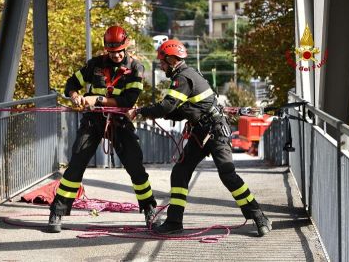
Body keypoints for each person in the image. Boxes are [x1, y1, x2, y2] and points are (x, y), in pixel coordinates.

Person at [126, 39, 272, 236]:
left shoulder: (183, 78)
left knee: (227, 174)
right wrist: (156, 113)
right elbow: (183, 111)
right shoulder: (186, 75)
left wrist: (141, 111)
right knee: (180, 172)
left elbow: (167, 106)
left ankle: (259, 216)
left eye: (162, 62)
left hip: (215, 131)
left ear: (171, 59)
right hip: (201, 132)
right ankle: (174, 221)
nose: (161, 66)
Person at [47, 25, 157, 233]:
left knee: (135, 166)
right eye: (111, 51)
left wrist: (95, 99)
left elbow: (128, 100)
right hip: (94, 120)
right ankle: (57, 211)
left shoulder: (136, 69)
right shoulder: (95, 65)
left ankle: (149, 209)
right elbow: (71, 82)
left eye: (119, 51)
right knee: (76, 164)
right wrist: (75, 96)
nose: (115, 55)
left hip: (119, 121)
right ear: (106, 49)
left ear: (125, 47)